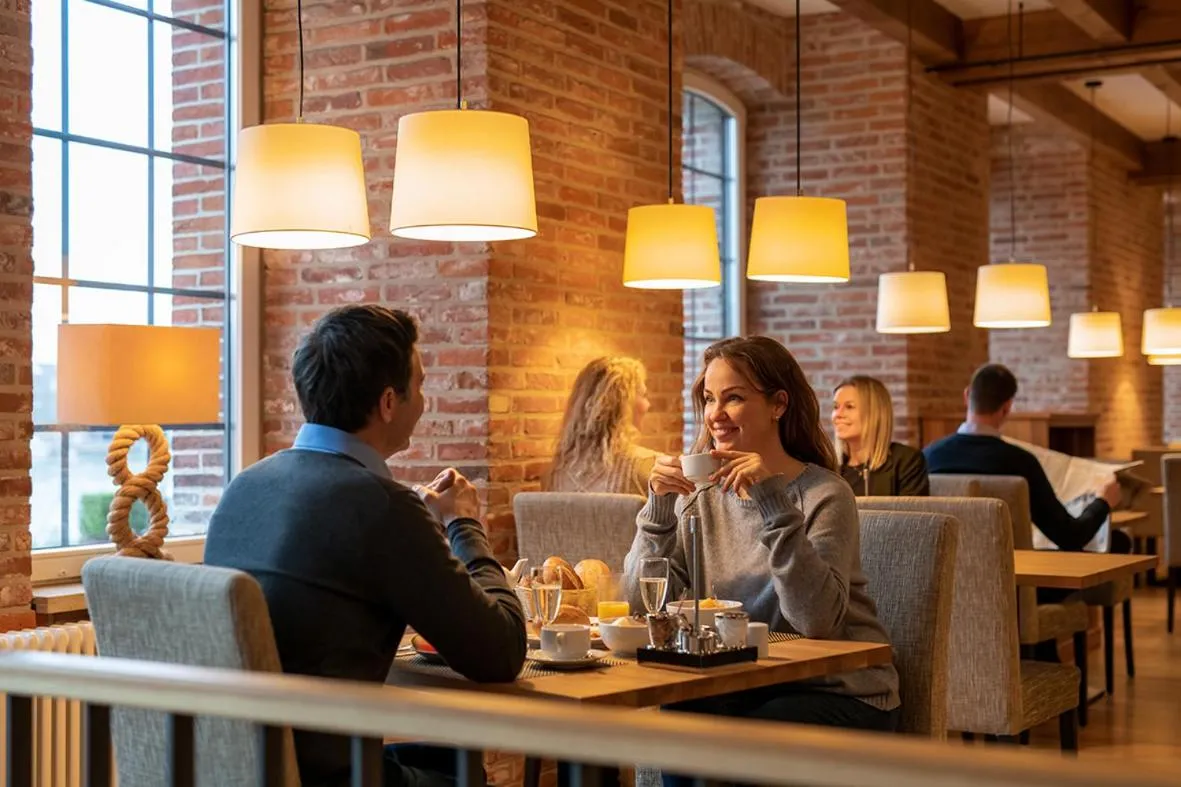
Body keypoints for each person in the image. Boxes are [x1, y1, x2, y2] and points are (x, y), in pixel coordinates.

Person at [204, 305, 525, 787]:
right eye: (420, 385)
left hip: (241, 766)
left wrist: (420, 527)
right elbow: (500, 652)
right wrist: (463, 522)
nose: (424, 402)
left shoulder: (244, 487)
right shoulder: (382, 506)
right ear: (389, 402)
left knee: (450, 761)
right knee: (463, 774)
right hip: (327, 775)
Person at [622, 336, 900, 758]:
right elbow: (640, 608)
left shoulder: (825, 494)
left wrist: (771, 500)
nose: (715, 414)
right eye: (709, 399)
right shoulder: (699, 497)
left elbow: (816, 620)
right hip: (742, 683)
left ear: (778, 405)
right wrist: (659, 509)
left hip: (839, 690)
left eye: (733, 398)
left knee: (749, 737)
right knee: (681, 716)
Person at [923, 363, 1123, 552]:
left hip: (943, 574)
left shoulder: (928, 457)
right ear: (1007, 407)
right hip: (1015, 573)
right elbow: (1070, 536)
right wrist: (1103, 502)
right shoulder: (1020, 463)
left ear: (967, 396)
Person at [545, 356, 659, 496]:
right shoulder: (650, 466)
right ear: (623, 405)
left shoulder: (555, 472)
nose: (648, 405)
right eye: (643, 395)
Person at [832, 376, 928, 496]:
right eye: (835, 407)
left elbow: (912, 508)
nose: (838, 414)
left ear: (874, 413)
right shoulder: (829, 467)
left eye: (849, 406)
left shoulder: (907, 461)